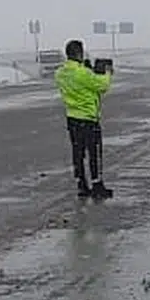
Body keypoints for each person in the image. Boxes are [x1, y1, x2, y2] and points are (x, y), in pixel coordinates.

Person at [54, 39, 114, 199]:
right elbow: (102, 86)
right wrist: (107, 73)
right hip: (88, 118)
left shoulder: (60, 73)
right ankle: (97, 185)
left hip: (72, 118)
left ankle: (81, 184)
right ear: (79, 54)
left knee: (78, 152)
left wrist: (87, 70)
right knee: (94, 153)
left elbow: (80, 82)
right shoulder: (82, 73)